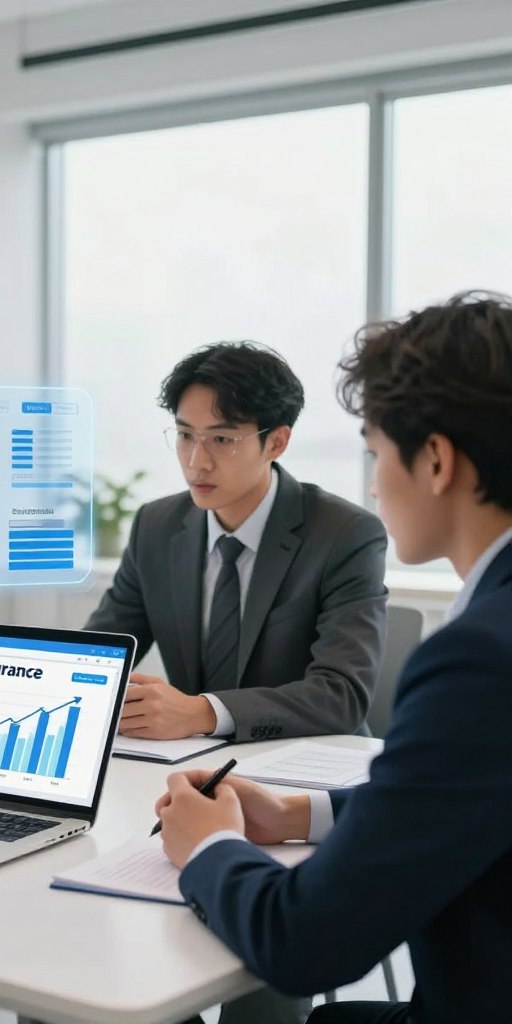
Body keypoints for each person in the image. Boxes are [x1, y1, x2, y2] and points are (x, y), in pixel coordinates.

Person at [158, 293, 512, 1024]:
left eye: (377, 453)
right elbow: (469, 789)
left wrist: (209, 848)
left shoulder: (480, 659)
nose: (376, 481)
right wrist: (300, 813)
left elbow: (304, 943)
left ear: (437, 459)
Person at [86, 342, 388, 744]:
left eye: (222, 439)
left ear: (277, 442)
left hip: (308, 772)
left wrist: (201, 712)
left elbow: (342, 695)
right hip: (193, 766)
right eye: (184, 435)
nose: (197, 462)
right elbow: (96, 657)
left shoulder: (344, 534)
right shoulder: (156, 526)